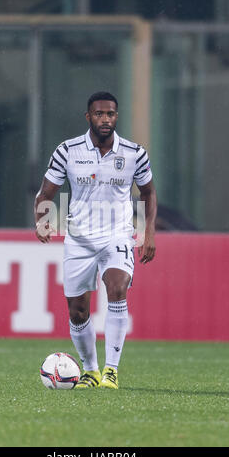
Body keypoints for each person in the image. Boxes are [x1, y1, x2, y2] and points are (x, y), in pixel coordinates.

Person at [34, 91, 157, 389]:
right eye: (99, 114)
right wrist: (41, 220)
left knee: (117, 287)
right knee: (78, 310)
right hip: (79, 240)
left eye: (111, 114)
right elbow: (46, 192)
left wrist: (149, 232)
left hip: (117, 235)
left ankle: (111, 371)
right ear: (88, 117)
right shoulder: (67, 150)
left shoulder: (134, 153)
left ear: (117, 117)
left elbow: (149, 193)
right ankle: (90, 370)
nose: (106, 119)